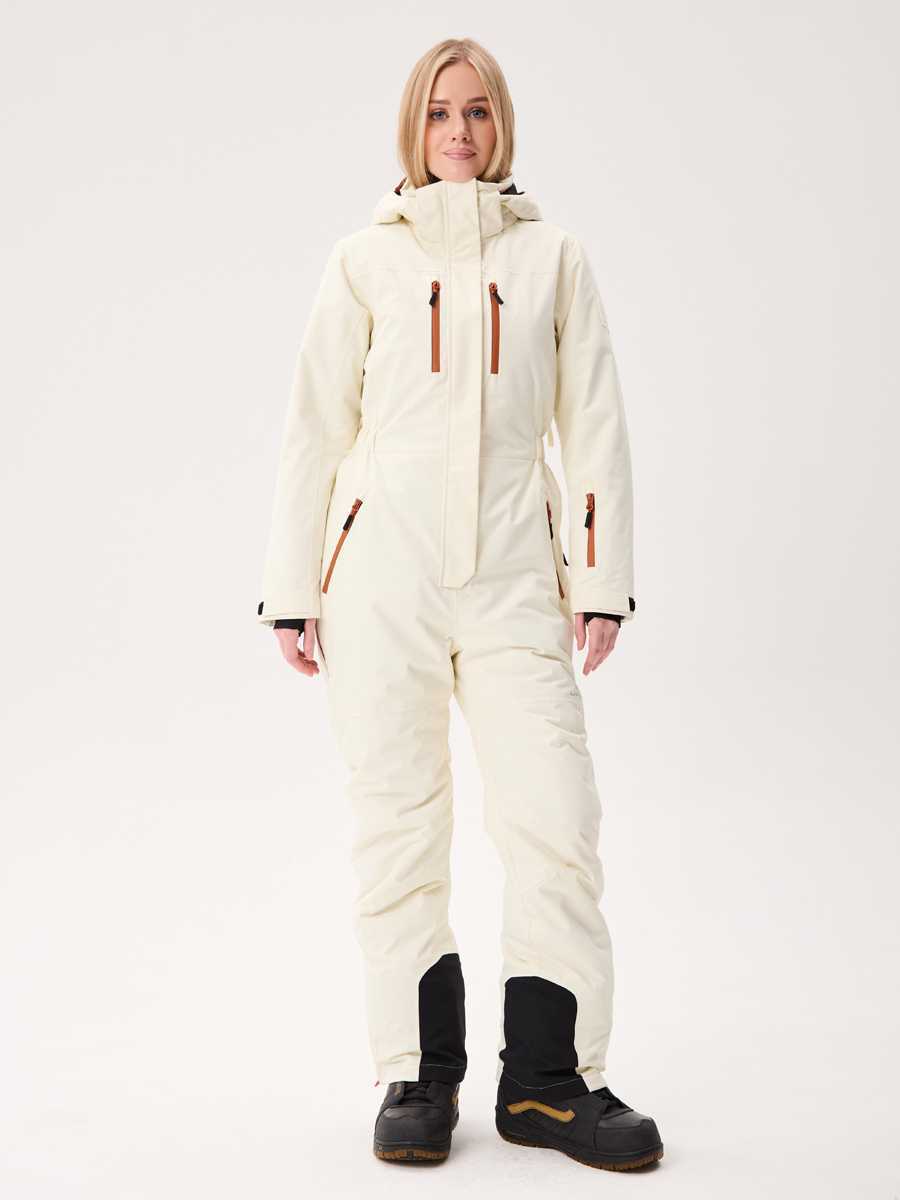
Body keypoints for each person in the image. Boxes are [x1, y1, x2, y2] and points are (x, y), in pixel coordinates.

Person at [256, 36, 663, 1172]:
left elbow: (594, 425)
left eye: (478, 112)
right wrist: (293, 589)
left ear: (502, 125)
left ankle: (547, 1083)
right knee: (399, 822)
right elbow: (314, 426)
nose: (460, 133)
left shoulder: (554, 258)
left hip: (515, 572)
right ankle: (416, 1074)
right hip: (377, 574)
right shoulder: (363, 263)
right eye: (440, 113)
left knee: (554, 816)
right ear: (413, 127)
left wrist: (600, 583)